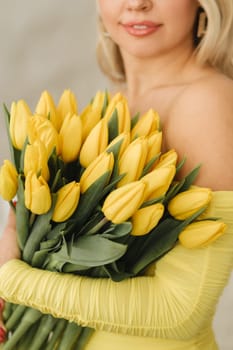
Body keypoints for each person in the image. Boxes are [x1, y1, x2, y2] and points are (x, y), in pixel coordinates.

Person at [0, 0, 233, 349]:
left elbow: (180, 311)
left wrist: (10, 280)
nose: (138, 3)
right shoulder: (111, 104)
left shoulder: (207, 103)